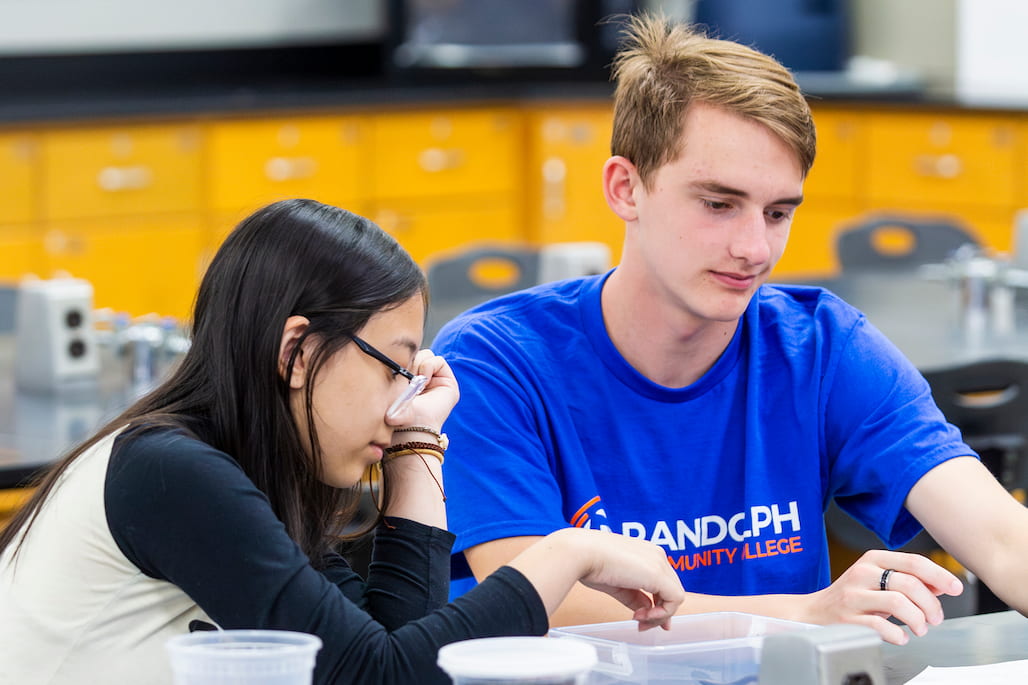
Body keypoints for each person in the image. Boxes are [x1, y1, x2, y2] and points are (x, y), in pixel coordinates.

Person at [432, 14, 1028, 647]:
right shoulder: (495, 361)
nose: (753, 248)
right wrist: (804, 616)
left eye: (777, 213)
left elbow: (1002, 539)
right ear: (626, 187)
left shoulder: (823, 347)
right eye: (718, 204)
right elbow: (528, 602)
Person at [0, 199, 685, 685]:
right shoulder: (170, 473)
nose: (400, 401)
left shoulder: (246, 472)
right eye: (394, 367)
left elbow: (388, 647)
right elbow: (380, 677)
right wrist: (568, 551)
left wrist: (418, 444)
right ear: (297, 350)